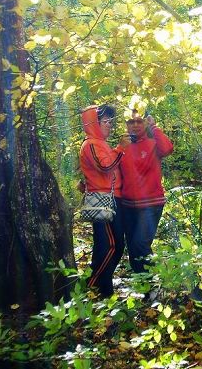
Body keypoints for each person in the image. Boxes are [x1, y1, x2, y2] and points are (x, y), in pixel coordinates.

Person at [79, 105, 130, 297]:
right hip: (103, 201)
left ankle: (102, 286)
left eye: (111, 121)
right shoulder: (91, 143)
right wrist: (121, 148)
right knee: (109, 245)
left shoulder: (100, 143)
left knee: (114, 245)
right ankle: (96, 286)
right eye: (105, 121)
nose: (110, 125)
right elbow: (105, 166)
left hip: (112, 199)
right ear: (94, 123)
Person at [119, 111, 173, 273]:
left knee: (140, 244)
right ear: (126, 125)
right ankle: (143, 287)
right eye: (131, 121)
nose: (135, 125)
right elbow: (109, 168)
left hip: (151, 204)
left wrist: (154, 126)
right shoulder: (122, 146)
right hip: (128, 205)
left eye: (139, 121)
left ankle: (152, 282)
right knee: (133, 247)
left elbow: (168, 148)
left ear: (145, 124)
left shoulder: (152, 144)